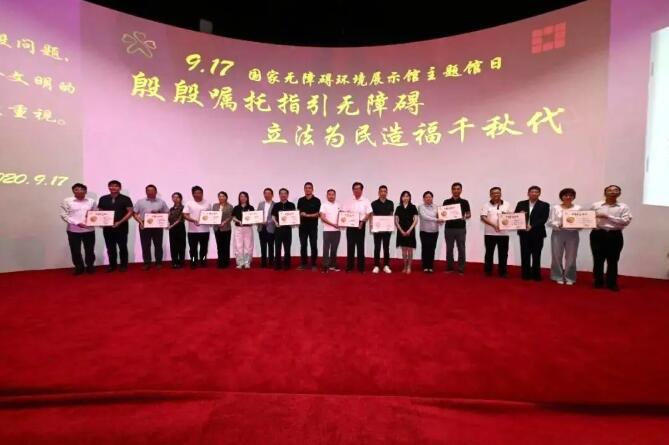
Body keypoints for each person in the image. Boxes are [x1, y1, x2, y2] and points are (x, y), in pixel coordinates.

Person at [590, 185, 632, 291]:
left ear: (619, 193)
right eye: (610, 190)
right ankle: (598, 281)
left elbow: (625, 221)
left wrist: (608, 216)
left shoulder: (623, 207)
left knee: (613, 260)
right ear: (605, 193)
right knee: (598, 259)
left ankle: (612, 283)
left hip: (615, 235)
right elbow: (588, 218)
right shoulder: (596, 205)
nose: (613, 192)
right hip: (598, 234)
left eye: (616, 190)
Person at [97, 180, 134, 272]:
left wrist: (119, 222)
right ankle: (112, 265)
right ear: (108, 187)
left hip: (122, 227)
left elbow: (130, 212)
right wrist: (101, 221)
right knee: (110, 247)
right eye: (111, 186)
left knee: (122, 247)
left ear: (120, 188)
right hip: (108, 228)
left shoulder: (125, 198)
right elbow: (100, 211)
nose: (113, 187)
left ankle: (123, 265)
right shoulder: (103, 198)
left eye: (116, 186)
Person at [515, 185, 550, 281]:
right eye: (532, 191)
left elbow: (543, 219)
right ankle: (525, 274)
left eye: (536, 192)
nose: (534, 193)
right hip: (524, 233)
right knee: (524, 254)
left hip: (537, 233)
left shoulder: (545, 205)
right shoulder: (521, 203)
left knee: (536, 254)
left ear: (539, 193)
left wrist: (532, 226)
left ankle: (536, 275)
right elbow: (515, 216)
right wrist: (519, 217)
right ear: (528, 193)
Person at [60, 182, 96, 275]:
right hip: (73, 230)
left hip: (89, 230)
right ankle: (79, 268)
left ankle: (90, 266)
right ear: (73, 191)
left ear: (85, 191)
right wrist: (77, 223)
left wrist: (98, 220)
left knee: (90, 250)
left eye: (82, 189)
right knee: (75, 250)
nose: (79, 191)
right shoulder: (67, 201)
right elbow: (64, 215)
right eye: (76, 189)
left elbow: (95, 214)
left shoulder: (91, 201)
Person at [548, 188, 581, 285]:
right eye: (566, 195)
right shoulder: (555, 208)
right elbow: (550, 221)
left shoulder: (578, 208)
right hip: (558, 233)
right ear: (561, 197)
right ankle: (557, 276)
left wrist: (580, 225)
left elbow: (582, 221)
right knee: (556, 256)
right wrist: (559, 224)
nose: (568, 197)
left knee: (571, 256)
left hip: (572, 234)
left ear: (574, 197)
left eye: (571, 195)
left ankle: (570, 277)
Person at [133, 184, 169, 270]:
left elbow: (167, 212)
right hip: (144, 225)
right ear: (146, 192)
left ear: (156, 192)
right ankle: (147, 263)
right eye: (148, 190)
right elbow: (134, 213)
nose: (150, 192)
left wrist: (159, 213)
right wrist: (140, 222)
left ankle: (158, 262)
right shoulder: (140, 202)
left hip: (157, 226)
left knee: (158, 245)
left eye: (152, 190)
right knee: (145, 245)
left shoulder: (161, 202)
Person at [481, 186, 512, 277]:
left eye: (498, 193)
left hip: (504, 234)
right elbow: (483, 217)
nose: (496, 194)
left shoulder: (507, 204)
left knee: (503, 254)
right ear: (490, 195)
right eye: (493, 193)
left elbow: (510, 216)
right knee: (489, 253)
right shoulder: (486, 205)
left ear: (501, 194)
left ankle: (503, 272)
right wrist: (494, 225)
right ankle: (488, 271)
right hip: (489, 233)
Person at [442, 182, 471, 274]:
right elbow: (443, 213)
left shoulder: (465, 202)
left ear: (461, 190)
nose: (456, 191)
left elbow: (469, 214)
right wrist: (442, 216)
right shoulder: (446, 202)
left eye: (458, 189)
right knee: (449, 249)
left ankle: (461, 268)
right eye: (454, 189)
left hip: (460, 229)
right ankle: (449, 268)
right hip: (449, 228)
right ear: (452, 190)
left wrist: (464, 217)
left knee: (461, 249)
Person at [344, 182, 373, 273]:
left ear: (361, 190)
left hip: (361, 224)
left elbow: (369, 213)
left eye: (358, 189)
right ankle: (350, 266)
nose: (357, 190)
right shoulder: (348, 201)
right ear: (353, 190)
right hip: (350, 225)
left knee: (360, 246)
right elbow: (344, 212)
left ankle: (361, 267)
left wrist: (362, 222)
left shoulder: (366, 201)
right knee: (350, 246)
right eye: (355, 189)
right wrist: (344, 220)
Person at [182, 185, 211, 269]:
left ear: (202, 193)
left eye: (200, 193)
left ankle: (203, 261)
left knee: (204, 248)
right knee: (193, 248)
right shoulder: (189, 203)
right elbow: (185, 215)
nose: (198, 194)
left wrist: (212, 221)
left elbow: (210, 215)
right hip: (192, 231)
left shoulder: (207, 203)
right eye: (196, 193)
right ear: (193, 194)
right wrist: (193, 220)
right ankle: (193, 262)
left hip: (205, 231)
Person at [297, 182, 321, 271]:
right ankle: (304, 263)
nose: (308, 189)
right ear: (304, 189)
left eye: (309, 188)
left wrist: (307, 215)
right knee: (303, 245)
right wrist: (299, 215)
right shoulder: (300, 200)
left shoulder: (317, 200)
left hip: (313, 227)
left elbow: (318, 214)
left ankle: (314, 264)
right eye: (306, 188)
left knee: (313, 245)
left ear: (312, 189)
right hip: (302, 227)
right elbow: (298, 212)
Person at [271, 188, 296, 270]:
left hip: (287, 230)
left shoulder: (291, 205)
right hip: (278, 229)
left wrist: (293, 223)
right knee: (277, 248)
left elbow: (294, 216)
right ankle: (277, 265)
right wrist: (276, 223)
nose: (283, 195)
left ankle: (287, 265)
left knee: (287, 248)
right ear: (279, 195)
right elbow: (273, 215)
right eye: (281, 193)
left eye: (285, 193)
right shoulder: (276, 205)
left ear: (287, 195)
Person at [371, 185, 394, 274]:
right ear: (379, 192)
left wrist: (391, 226)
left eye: (385, 191)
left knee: (386, 247)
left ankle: (386, 265)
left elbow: (391, 215)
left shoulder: (390, 203)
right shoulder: (374, 203)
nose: (383, 193)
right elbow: (372, 216)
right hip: (377, 230)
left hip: (387, 230)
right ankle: (376, 265)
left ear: (387, 193)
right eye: (381, 191)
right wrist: (372, 226)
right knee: (377, 247)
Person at [395, 191, 418, 274]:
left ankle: (409, 266)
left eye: (407, 196)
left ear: (410, 197)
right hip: (401, 231)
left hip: (410, 230)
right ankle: (405, 266)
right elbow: (396, 221)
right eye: (404, 196)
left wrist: (409, 230)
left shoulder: (413, 207)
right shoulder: (398, 208)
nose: (405, 198)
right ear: (401, 198)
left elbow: (415, 220)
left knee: (410, 250)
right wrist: (401, 230)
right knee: (404, 250)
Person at [418, 191, 442, 273]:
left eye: (430, 197)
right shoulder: (420, 207)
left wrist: (442, 219)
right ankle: (425, 266)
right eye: (426, 197)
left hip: (434, 231)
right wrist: (436, 219)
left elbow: (440, 217)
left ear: (432, 198)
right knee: (425, 248)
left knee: (432, 249)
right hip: (424, 231)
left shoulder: (436, 207)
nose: (428, 198)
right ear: (424, 198)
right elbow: (424, 217)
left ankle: (430, 266)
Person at [319, 188, 342, 272]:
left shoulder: (338, 205)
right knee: (326, 249)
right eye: (329, 194)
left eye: (333, 194)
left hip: (337, 231)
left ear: (335, 195)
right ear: (327, 196)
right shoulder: (324, 205)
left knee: (334, 249)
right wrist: (333, 224)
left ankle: (333, 265)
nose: (331, 196)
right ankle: (325, 266)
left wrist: (342, 223)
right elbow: (322, 218)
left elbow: (342, 217)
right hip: (327, 231)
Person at [232, 191, 255, 269]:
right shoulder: (236, 207)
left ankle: (247, 262)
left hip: (248, 228)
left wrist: (251, 221)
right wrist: (238, 221)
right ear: (239, 198)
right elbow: (233, 217)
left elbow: (253, 218)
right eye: (241, 196)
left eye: (244, 196)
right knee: (238, 246)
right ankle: (240, 263)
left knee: (248, 246)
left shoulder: (251, 207)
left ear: (247, 198)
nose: (243, 198)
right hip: (238, 228)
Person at [213, 191, 234, 268]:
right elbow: (213, 215)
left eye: (223, 196)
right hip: (217, 228)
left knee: (226, 245)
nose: (221, 197)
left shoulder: (230, 206)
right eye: (220, 196)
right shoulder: (215, 206)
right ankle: (220, 261)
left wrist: (224, 222)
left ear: (226, 197)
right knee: (219, 246)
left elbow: (231, 216)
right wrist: (216, 222)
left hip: (226, 228)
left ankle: (226, 261)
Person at [257, 187, 276, 268]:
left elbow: (276, 216)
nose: (267, 195)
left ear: (272, 195)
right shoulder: (260, 204)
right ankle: (263, 262)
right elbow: (257, 215)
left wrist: (268, 221)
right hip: (261, 227)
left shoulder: (275, 205)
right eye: (265, 193)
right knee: (263, 246)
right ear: (264, 195)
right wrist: (259, 221)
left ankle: (271, 262)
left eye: (269, 193)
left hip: (271, 227)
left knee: (271, 246)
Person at [167, 192, 186, 269]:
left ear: (180, 199)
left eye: (177, 197)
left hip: (180, 228)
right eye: (174, 197)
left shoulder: (183, 208)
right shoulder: (171, 209)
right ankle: (174, 262)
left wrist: (171, 226)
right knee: (173, 245)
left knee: (181, 245)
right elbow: (168, 218)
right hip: (172, 229)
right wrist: (166, 224)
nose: (175, 199)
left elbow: (180, 219)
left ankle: (181, 262)